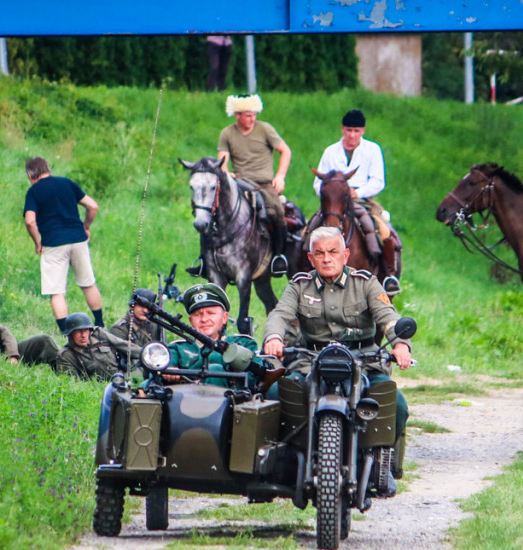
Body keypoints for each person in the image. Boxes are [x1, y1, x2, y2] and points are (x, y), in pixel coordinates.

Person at [262, 226, 412, 442]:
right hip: (311, 360)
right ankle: (284, 457)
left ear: (345, 255)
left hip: (363, 360)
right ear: (311, 258)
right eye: (320, 253)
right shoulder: (299, 285)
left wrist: (400, 345)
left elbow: (388, 317)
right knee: (276, 394)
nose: (326, 259)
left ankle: (380, 458)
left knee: (396, 404)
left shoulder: (366, 283)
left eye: (333, 252)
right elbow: (279, 315)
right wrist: (274, 338)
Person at [188, 93, 292, 279]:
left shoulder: (265, 129)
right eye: (247, 115)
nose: (252, 118)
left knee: (277, 211)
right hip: (239, 182)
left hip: (263, 183)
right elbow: (222, 159)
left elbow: (285, 151)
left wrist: (280, 176)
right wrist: (226, 173)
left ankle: (278, 257)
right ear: (237, 115)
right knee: (211, 214)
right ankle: (204, 259)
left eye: (254, 114)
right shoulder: (227, 133)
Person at [310, 109, 401, 295]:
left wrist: (356, 192)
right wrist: (332, 192)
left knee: (383, 230)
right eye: (349, 130)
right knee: (308, 228)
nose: (352, 135)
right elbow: (317, 182)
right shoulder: (330, 151)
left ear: (363, 131)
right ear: (342, 130)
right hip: (334, 203)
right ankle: (302, 270)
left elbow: (378, 181)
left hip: (363, 201)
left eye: (356, 131)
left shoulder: (372, 150)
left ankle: (389, 275)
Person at [23, 156, 105, 334]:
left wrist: (37, 242)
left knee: (57, 291)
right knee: (88, 283)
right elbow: (93, 206)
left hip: (53, 243)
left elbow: (30, 221)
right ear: (48, 169)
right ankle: (99, 323)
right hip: (78, 239)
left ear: (30, 175)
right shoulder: (67, 183)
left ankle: (65, 332)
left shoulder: (34, 191)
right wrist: (86, 227)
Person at [165, 283, 266, 388]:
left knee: (215, 370)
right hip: (186, 402)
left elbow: (254, 378)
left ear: (224, 317)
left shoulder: (244, 344)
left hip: (232, 401)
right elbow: (155, 371)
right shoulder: (177, 348)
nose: (204, 319)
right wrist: (168, 370)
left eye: (211, 313)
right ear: (190, 320)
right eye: (197, 314)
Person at [57, 312, 142, 381]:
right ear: (70, 335)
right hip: (111, 385)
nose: (83, 335)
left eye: (86, 330)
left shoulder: (98, 334)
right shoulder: (66, 355)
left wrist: (147, 354)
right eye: (78, 331)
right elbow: (72, 383)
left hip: (127, 370)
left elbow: (122, 344)